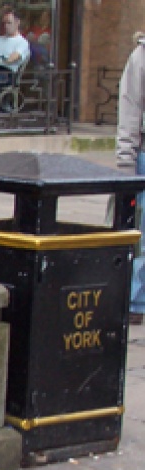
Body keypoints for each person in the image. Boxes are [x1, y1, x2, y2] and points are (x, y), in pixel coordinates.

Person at [116, 31, 145, 326]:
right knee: (140, 231)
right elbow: (130, 110)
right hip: (143, 156)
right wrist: (125, 162)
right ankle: (136, 301)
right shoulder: (141, 58)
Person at [0, 8, 29, 105]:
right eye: (4, 23)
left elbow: (11, 59)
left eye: (9, 23)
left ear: (17, 23)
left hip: (8, 73)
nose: (6, 26)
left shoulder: (22, 42)